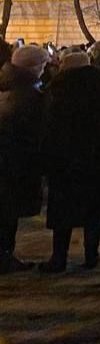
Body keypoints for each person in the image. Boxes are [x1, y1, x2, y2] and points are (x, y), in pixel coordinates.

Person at [39, 51, 100, 274]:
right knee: (93, 211)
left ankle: (58, 257)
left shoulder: (58, 88)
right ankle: (92, 255)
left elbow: (48, 124)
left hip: (65, 159)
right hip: (97, 155)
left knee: (63, 211)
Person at [0, 46, 50, 274]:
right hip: (14, 163)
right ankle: (4, 256)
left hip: (10, 160)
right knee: (7, 213)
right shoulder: (29, 95)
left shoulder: (10, 85)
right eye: (42, 65)